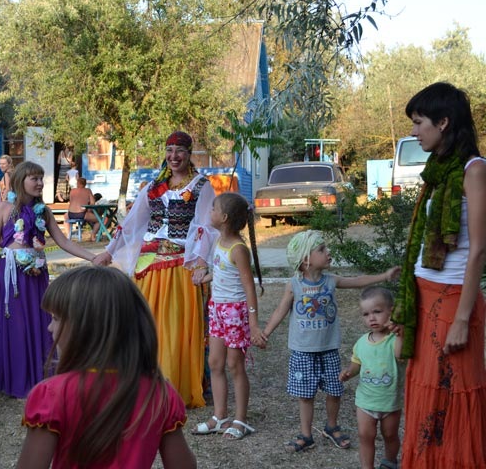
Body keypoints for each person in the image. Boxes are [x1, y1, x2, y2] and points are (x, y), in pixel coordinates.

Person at [389, 82, 486, 468]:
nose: (414, 132)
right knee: (427, 393)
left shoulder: (474, 170)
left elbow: (478, 249)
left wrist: (462, 319)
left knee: (452, 394)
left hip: (453, 301)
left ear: (443, 122)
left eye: (419, 123)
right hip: (425, 295)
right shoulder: (437, 172)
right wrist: (406, 307)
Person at [16, 266, 196, 469]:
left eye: (56, 318)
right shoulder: (160, 393)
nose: (50, 327)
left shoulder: (52, 394)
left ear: (84, 327)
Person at [92, 130, 218, 408]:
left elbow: (205, 227)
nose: (174, 156)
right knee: (145, 325)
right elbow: (132, 222)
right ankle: (144, 384)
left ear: (189, 153)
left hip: (180, 266)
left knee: (174, 326)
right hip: (149, 267)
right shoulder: (153, 186)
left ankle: (173, 383)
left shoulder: (201, 186)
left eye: (180, 151)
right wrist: (109, 252)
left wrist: (200, 262)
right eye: (169, 150)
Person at [261, 230, 400, 453]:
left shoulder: (331, 281)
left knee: (334, 389)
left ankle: (332, 426)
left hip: (329, 348)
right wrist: (266, 333)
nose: (328, 252)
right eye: (321, 249)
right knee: (305, 395)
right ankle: (306, 435)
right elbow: (280, 310)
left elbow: (357, 281)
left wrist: (383, 276)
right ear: (306, 259)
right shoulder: (294, 285)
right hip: (303, 350)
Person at [0, 161, 100, 399]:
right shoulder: (4, 208)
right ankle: (15, 378)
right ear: (20, 181)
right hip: (11, 275)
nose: (39, 183)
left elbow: (63, 241)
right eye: (34, 178)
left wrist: (93, 257)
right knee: (16, 323)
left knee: (39, 320)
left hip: (36, 274)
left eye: (40, 178)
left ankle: (38, 375)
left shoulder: (43, 211)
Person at [191, 192, 265, 439]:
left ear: (223, 217)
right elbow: (222, 269)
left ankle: (240, 419)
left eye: (213, 209)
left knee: (235, 365)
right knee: (215, 363)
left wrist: (253, 324)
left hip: (235, 312)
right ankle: (219, 416)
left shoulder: (238, 249)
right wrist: (206, 277)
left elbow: (249, 287)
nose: (209, 212)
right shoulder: (218, 241)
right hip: (217, 309)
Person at [340, 286, 404, 469]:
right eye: (366, 314)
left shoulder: (395, 339)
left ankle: (390, 462)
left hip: (390, 402)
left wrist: (401, 333)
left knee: (390, 435)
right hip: (365, 401)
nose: (372, 318)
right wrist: (349, 372)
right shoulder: (362, 342)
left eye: (377, 312)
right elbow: (357, 363)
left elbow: (400, 356)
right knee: (365, 436)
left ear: (391, 311)